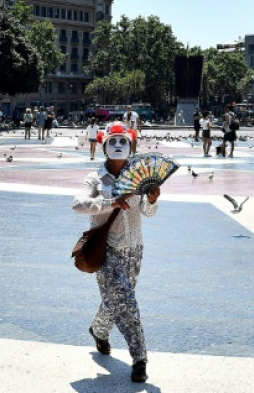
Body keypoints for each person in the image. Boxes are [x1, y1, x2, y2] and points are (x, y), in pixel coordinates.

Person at [71, 122, 159, 383]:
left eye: (123, 141)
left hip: (135, 249)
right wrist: (110, 202)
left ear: (131, 146)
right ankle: (140, 359)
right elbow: (78, 204)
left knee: (117, 299)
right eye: (113, 141)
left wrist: (152, 200)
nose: (118, 146)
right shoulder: (96, 178)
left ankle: (98, 330)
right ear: (104, 146)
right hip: (106, 250)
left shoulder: (140, 176)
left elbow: (147, 212)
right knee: (127, 303)